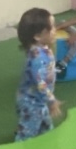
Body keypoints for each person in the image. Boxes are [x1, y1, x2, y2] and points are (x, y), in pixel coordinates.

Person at [15, 8, 63, 141]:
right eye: (51, 28)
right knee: (27, 133)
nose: (55, 30)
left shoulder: (42, 49)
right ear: (37, 36)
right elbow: (40, 83)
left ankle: (47, 140)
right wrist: (52, 100)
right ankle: (20, 147)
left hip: (38, 100)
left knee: (45, 126)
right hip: (31, 103)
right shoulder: (38, 58)